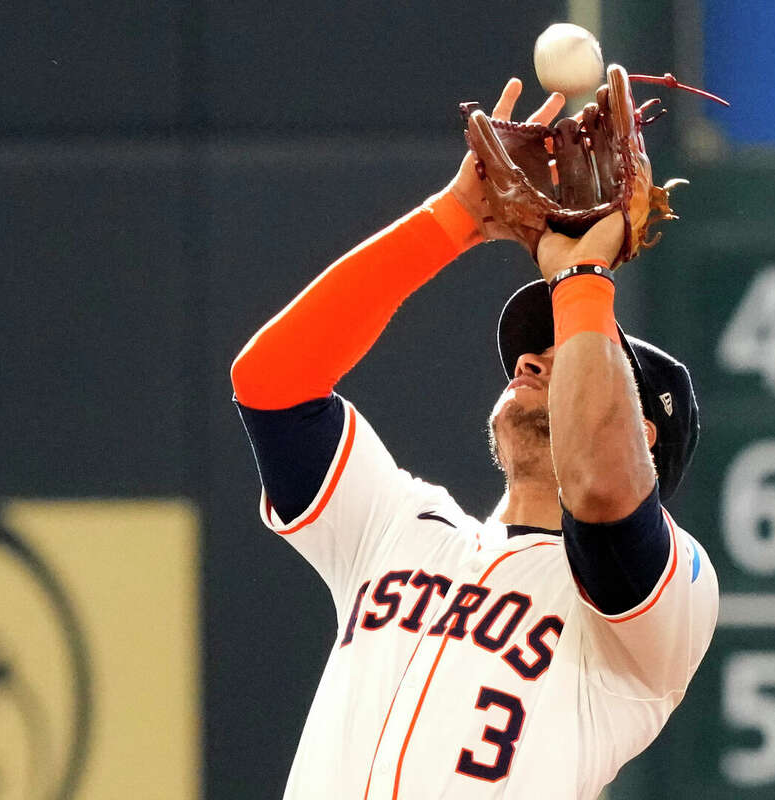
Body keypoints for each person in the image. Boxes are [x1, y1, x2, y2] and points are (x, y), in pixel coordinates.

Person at [229, 78, 718, 800]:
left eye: (568, 347)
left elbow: (605, 490)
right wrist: (455, 217)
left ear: (643, 429)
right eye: (536, 346)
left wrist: (583, 281)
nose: (531, 357)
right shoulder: (399, 527)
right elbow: (272, 382)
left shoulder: (658, 602)